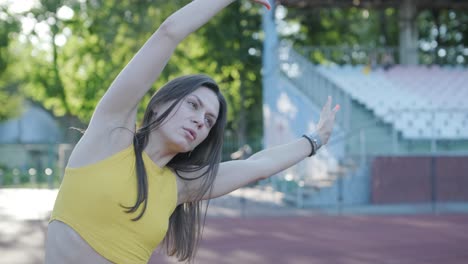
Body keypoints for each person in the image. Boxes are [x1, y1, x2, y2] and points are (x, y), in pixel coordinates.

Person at [44, 0, 340, 263]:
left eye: (210, 120)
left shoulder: (179, 186)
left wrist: (316, 140)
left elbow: (257, 166)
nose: (201, 121)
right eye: (193, 105)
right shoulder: (110, 136)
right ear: (158, 104)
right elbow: (168, 33)